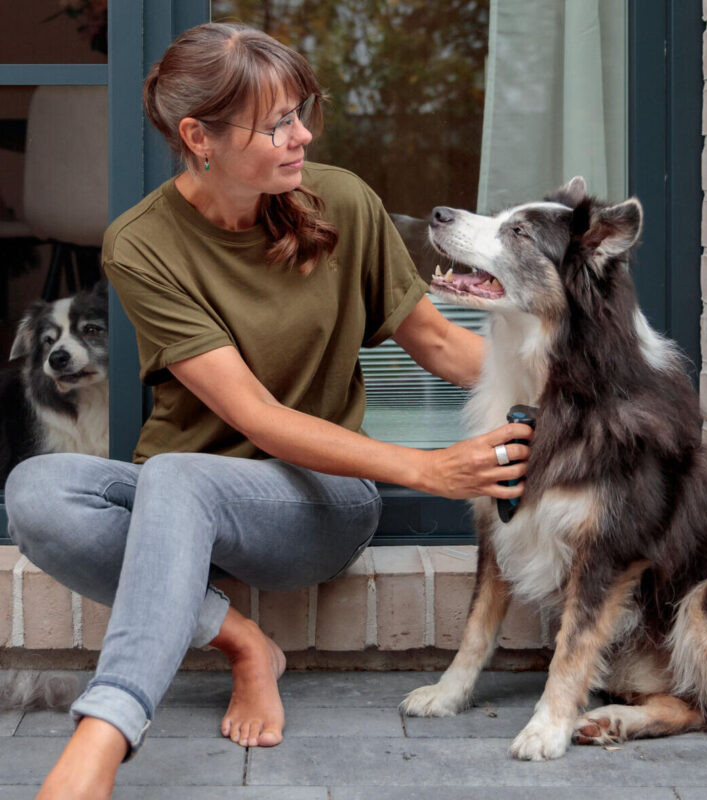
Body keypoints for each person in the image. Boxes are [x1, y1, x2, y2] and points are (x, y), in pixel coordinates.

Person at [5, 22, 532, 800]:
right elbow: (251, 414)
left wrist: (577, 391)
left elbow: (444, 349)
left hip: (320, 503)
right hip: (180, 495)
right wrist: (428, 467)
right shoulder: (140, 241)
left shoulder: (344, 201)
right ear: (199, 137)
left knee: (178, 480)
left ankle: (102, 736)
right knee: (32, 493)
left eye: (301, 111)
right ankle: (243, 640)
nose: (304, 134)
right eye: (279, 121)